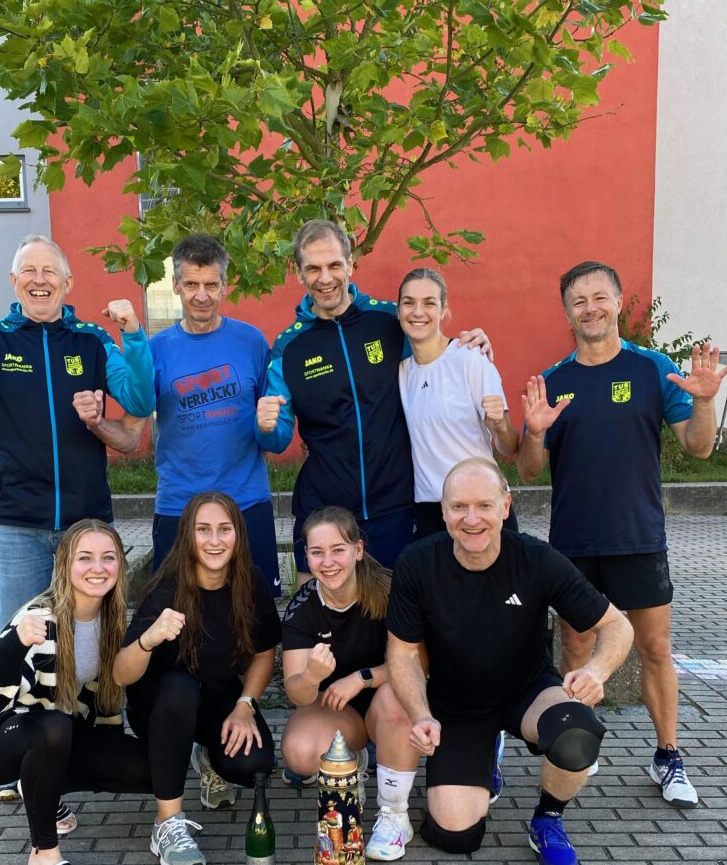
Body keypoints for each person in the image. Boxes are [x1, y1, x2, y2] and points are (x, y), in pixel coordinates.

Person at [517, 260, 727, 807]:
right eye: (578, 301)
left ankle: (668, 756)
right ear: (567, 311)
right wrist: (535, 434)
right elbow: (527, 470)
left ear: (618, 302)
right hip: (573, 542)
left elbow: (699, 448)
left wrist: (704, 400)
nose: (590, 308)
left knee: (655, 647)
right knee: (574, 646)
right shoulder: (554, 381)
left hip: (639, 538)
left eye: (600, 297)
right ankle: (575, 745)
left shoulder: (652, 368)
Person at [387, 459, 634, 865]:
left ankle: (548, 819)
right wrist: (421, 715)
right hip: (458, 705)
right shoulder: (416, 563)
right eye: (459, 507)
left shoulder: (536, 559)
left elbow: (617, 625)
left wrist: (596, 671)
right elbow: (404, 654)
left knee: (576, 732)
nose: (471, 519)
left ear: (505, 505)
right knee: (456, 834)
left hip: (528, 691)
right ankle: (485, 755)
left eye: (484, 505)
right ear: (443, 510)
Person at [0, 234, 155, 637]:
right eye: (29, 271)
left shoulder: (92, 340)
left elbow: (140, 400)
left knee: (92, 639)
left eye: (49, 272)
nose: (39, 280)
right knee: (17, 642)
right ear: (14, 281)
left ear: (67, 282)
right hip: (17, 524)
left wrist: (133, 336)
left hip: (86, 522)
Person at [255, 219, 491, 576]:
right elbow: (277, 437)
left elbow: (436, 353)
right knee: (316, 606)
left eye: (334, 265)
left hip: (395, 505)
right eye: (313, 269)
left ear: (350, 264)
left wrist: (471, 342)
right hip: (325, 511)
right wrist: (266, 427)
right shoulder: (289, 346)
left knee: (400, 606)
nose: (325, 278)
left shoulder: (388, 320)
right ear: (299, 274)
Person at [0, 520, 150, 865]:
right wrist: (14, 642)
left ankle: (42, 787)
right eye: (85, 558)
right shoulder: (40, 618)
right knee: (54, 726)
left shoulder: (111, 620)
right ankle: (42, 857)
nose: (98, 568)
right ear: (64, 565)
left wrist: (109, 752)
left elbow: (99, 701)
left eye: (108, 557)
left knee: (149, 769)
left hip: (54, 735)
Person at [113, 492, 280, 865]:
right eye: (203, 530)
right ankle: (167, 824)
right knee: (180, 690)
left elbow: (263, 653)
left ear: (238, 535)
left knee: (254, 764)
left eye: (224, 529)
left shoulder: (250, 582)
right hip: (160, 706)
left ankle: (207, 756)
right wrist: (148, 638)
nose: (214, 540)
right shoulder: (166, 589)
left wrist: (245, 705)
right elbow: (121, 674)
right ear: (188, 535)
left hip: (216, 695)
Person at [139, 234, 280, 595]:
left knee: (255, 610)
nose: (201, 295)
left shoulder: (252, 341)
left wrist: (270, 427)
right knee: (175, 610)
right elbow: (134, 416)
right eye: (191, 285)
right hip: (179, 506)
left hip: (246, 501)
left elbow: (272, 426)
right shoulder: (155, 350)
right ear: (175, 285)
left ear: (224, 285)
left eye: (210, 285)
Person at [280, 507, 420, 861]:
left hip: (386, 697)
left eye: (337, 550)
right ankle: (354, 760)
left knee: (396, 696)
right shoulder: (303, 606)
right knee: (299, 752)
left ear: (358, 549)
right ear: (306, 556)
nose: (328, 562)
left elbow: (420, 663)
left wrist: (362, 678)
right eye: (317, 552)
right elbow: (296, 693)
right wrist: (311, 676)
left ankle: (394, 815)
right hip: (338, 710)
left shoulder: (390, 589)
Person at [397, 267, 519, 536]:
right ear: (398, 310)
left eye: (429, 303)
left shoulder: (470, 358)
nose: (418, 312)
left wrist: (499, 426)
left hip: (481, 505)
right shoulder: (402, 372)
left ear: (444, 310)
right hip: (431, 510)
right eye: (409, 302)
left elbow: (510, 446)